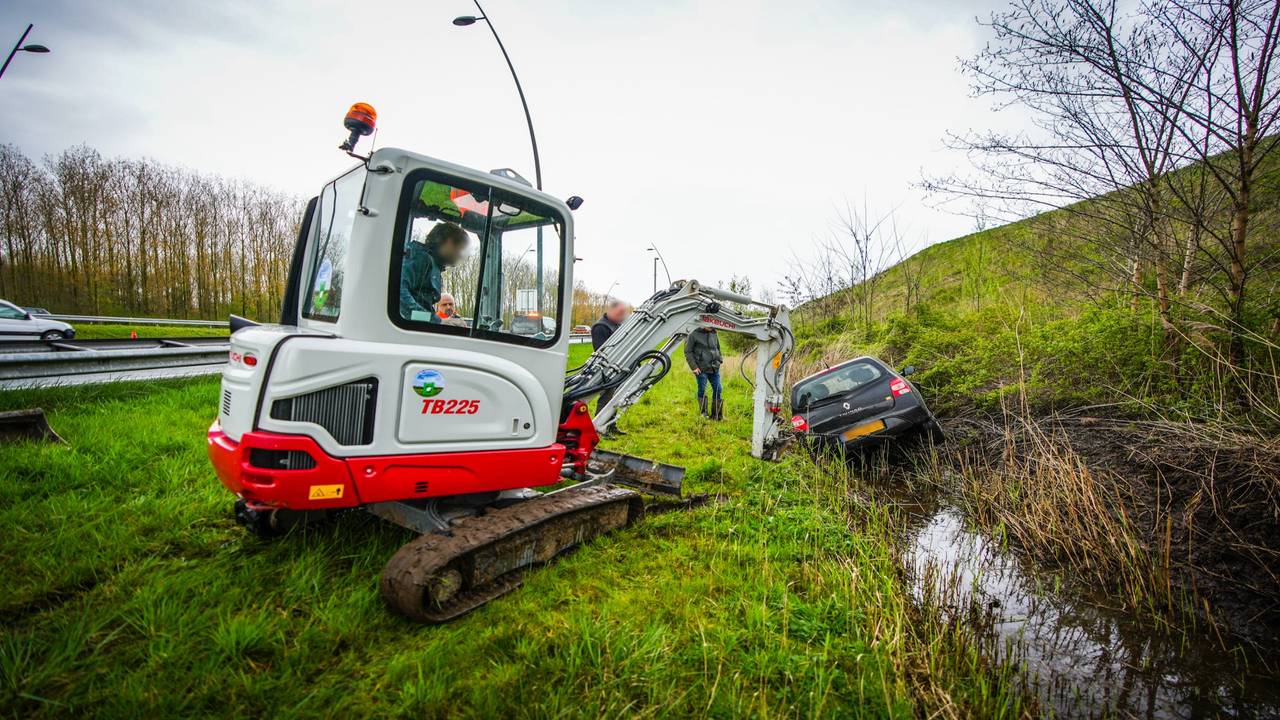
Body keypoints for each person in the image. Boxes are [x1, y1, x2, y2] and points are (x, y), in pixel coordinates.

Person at [400, 222, 469, 323]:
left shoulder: (430, 263)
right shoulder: (421, 258)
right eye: (460, 249)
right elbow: (398, 295)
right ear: (449, 243)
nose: (460, 255)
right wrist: (439, 321)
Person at [592, 299, 629, 435]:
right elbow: (600, 350)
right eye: (620, 313)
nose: (622, 316)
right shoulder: (601, 327)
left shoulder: (616, 325)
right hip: (607, 369)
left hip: (618, 367)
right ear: (611, 310)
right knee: (606, 399)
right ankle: (600, 427)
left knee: (616, 398)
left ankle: (611, 426)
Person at [684, 326, 723, 420]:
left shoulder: (714, 332)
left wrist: (719, 360)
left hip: (714, 367)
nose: (711, 327)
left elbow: (717, 347)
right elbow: (688, 351)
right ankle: (704, 413)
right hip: (701, 368)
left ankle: (716, 415)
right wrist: (694, 367)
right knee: (702, 389)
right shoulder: (693, 334)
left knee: (718, 388)